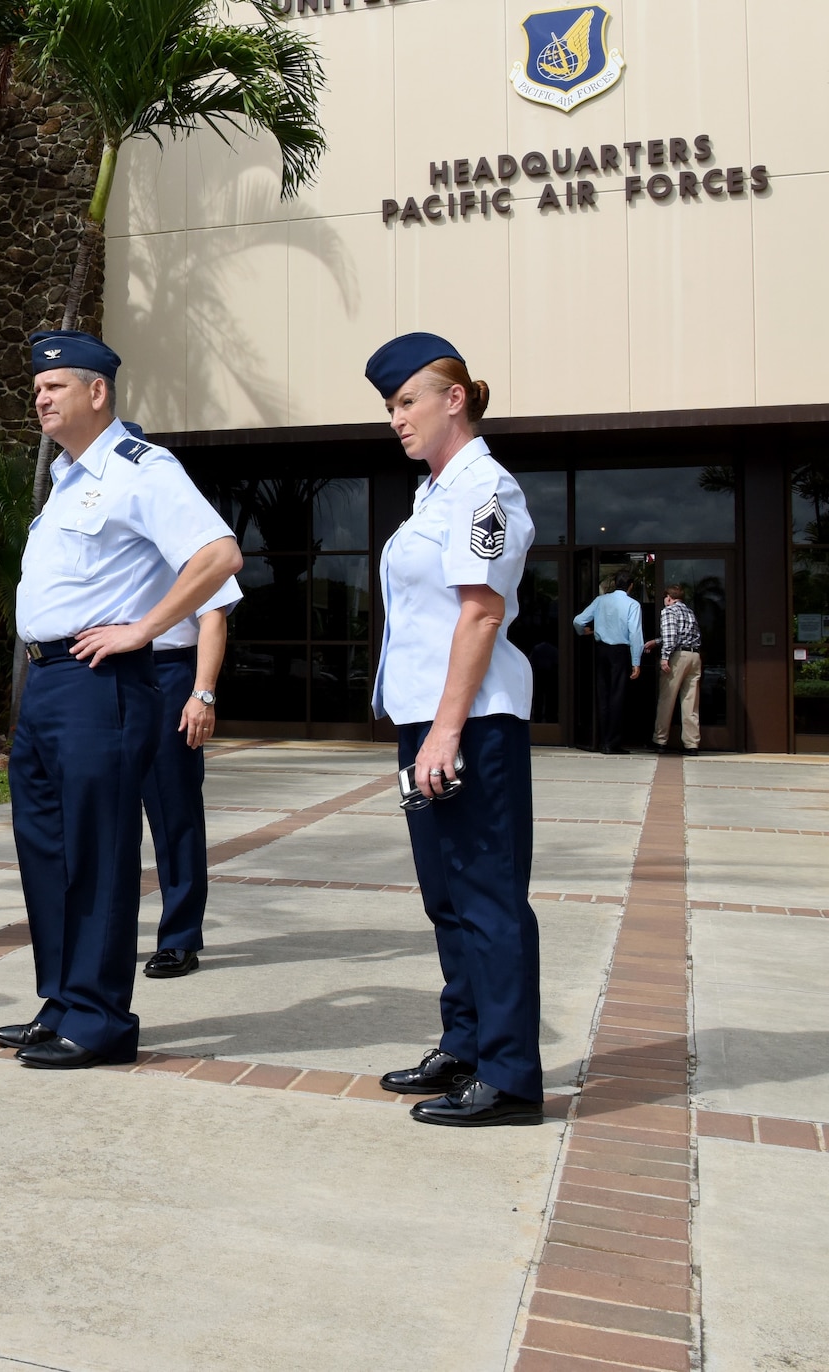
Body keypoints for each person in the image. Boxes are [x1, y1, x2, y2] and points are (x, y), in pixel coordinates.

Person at [0, 332, 241, 1069]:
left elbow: (218, 555)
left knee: (97, 854)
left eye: (55, 386)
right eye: (37, 388)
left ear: (98, 392)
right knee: (47, 852)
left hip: (100, 684)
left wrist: (146, 628)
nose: (40, 397)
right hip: (47, 685)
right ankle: (63, 999)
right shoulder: (66, 480)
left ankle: (99, 1019)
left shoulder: (141, 468)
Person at [366, 332, 543, 1127]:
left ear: (455, 398)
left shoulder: (483, 489)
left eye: (406, 402)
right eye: (389, 406)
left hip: (471, 723)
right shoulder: (434, 493)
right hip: (429, 722)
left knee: (488, 896)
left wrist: (445, 733)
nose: (395, 419)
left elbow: (480, 612)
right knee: (447, 895)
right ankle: (466, 1042)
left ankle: (509, 1076)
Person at [122, 423, 241, 980]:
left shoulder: (181, 526)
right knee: (105, 813)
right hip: (106, 673)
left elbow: (213, 619)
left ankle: (180, 935)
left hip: (169, 675)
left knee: (173, 813)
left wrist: (202, 693)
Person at [573, 571, 644, 754]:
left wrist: (584, 632)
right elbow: (635, 633)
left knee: (602, 695)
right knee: (617, 696)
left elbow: (578, 620)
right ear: (630, 586)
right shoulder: (633, 604)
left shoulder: (600, 600)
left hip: (601, 650)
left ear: (614, 583)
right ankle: (612, 742)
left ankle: (600, 740)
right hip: (620, 651)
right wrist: (636, 661)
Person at [644, 583, 702, 755]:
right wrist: (657, 641)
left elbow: (671, 636)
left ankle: (660, 740)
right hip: (695, 656)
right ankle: (692, 744)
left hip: (678, 657)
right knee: (691, 702)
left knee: (666, 700)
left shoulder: (669, 611)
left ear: (669, 598)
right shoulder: (689, 612)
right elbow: (683, 634)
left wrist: (664, 657)